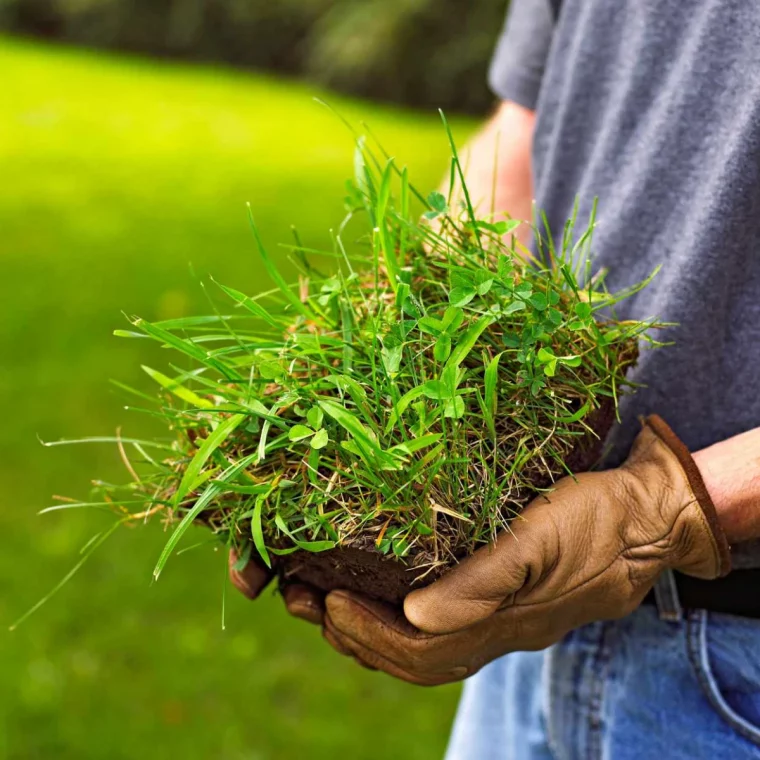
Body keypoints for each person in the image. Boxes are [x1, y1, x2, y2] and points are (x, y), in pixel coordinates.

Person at [231, 0, 760, 756]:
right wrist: (396, 341)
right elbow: (523, 130)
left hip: (738, 673)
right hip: (527, 605)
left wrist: (662, 513)